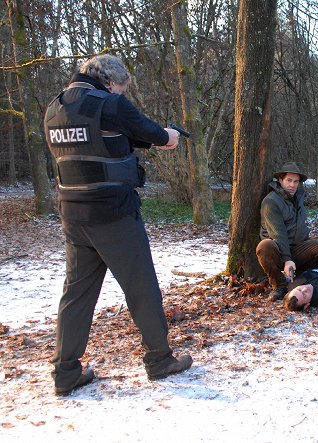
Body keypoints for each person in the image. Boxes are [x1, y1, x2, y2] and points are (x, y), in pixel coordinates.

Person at [43, 54, 193, 396]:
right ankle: (159, 360)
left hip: (72, 212)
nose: (121, 92)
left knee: (77, 293)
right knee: (141, 286)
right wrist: (169, 134)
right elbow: (158, 136)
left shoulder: (55, 107)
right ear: (111, 83)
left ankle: (65, 373)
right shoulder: (112, 103)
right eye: (122, 88)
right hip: (113, 213)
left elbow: (103, 140)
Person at [256, 162, 318, 301]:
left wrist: (311, 249)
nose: (292, 185)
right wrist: (287, 260)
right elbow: (278, 234)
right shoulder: (271, 201)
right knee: (264, 246)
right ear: (280, 180)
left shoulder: (298, 198)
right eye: (289, 180)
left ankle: (298, 279)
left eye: (296, 181)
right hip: (277, 249)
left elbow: (300, 227)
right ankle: (280, 285)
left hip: (297, 248)